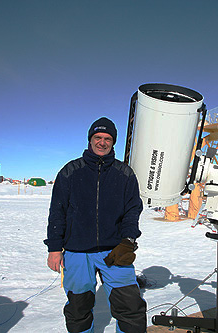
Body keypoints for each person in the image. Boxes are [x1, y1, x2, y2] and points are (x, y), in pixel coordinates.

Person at [44, 117, 147, 333]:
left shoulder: (124, 174)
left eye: (107, 138)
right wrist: (54, 248)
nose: (102, 142)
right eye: (98, 137)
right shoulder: (70, 171)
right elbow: (57, 212)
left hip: (115, 251)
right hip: (77, 252)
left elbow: (132, 210)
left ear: (113, 142)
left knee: (130, 306)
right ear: (90, 140)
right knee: (78, 308)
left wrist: (128, 241)